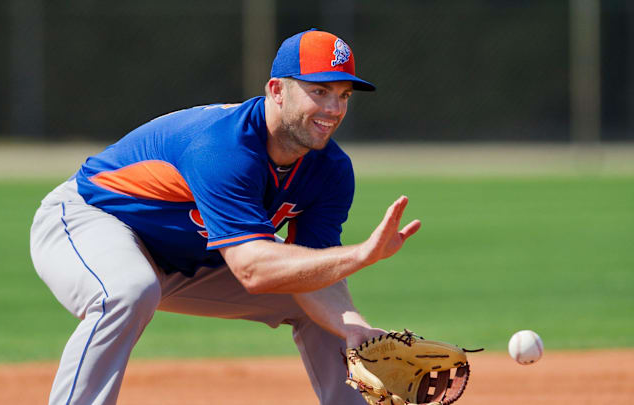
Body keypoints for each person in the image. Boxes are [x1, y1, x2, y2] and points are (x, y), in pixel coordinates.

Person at [30, 28, 421, 405]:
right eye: (319, 91)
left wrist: (351, 323)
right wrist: (360, 255)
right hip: (93, 219)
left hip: (198, 254)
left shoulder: (330, 169)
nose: (334, 109)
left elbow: (314, 273)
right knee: (128, 291)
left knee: (324, 312)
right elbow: (253, 270)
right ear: (276, 91)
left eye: (343, 94)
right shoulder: (222, 147)